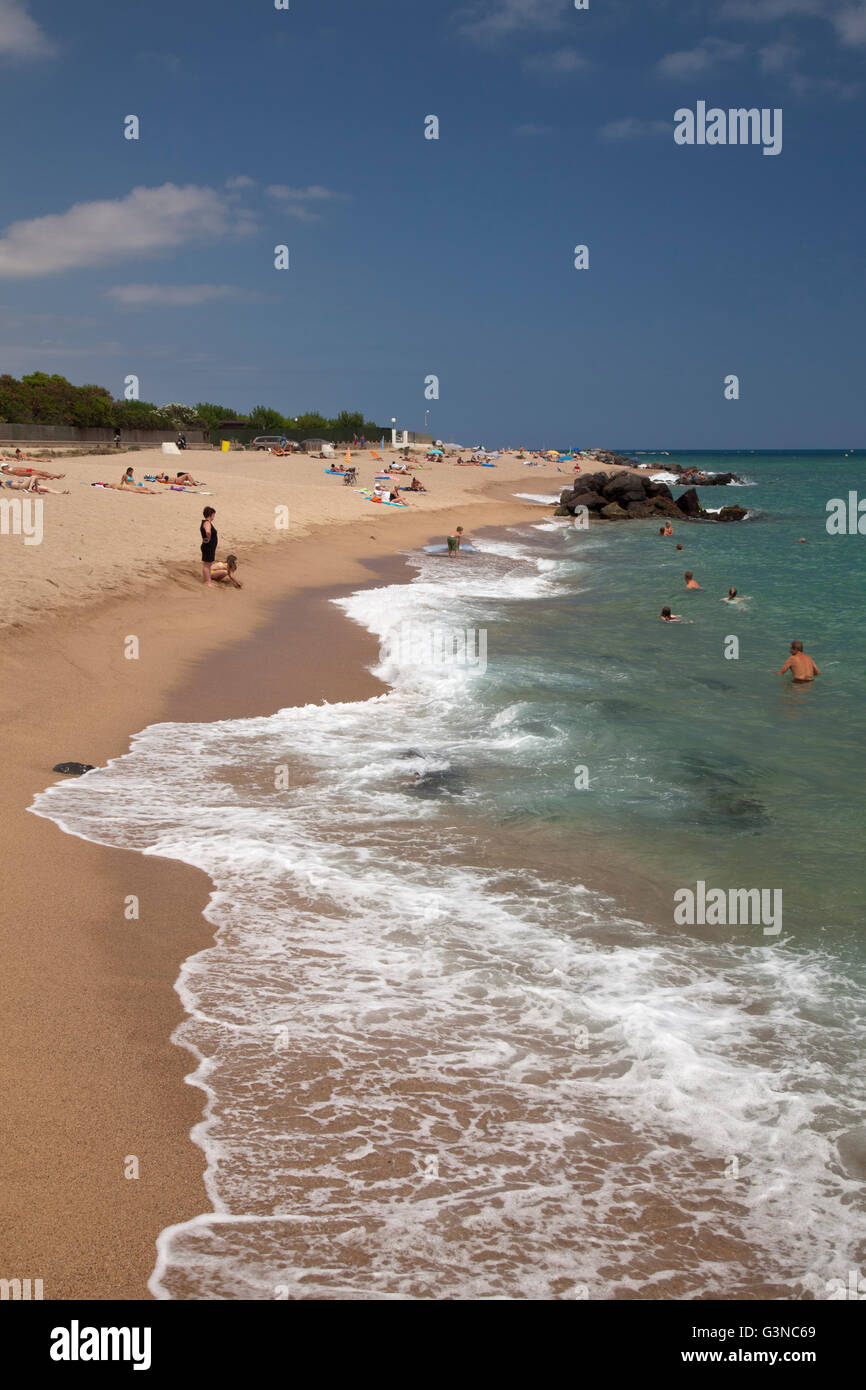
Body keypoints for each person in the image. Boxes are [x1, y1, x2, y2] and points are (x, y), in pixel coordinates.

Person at [201, 506, 218, 586]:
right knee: (207, 565)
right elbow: (208, 532)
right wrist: (209, 538)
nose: (214, 516)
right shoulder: (207, 523)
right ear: (211, 514)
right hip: (208, 546)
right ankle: (207, 582)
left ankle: (209, 580)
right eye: (213, 515)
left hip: (209, 546)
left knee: (209, 564)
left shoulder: (206, 522)